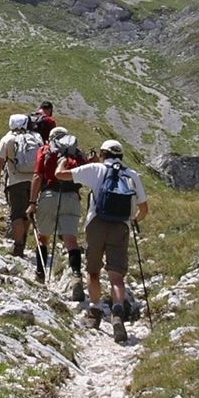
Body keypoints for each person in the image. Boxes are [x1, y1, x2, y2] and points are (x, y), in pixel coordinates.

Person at [56, 138, 149, 335]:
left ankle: (95, 311)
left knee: (94, 271)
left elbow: (60, 175)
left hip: (96, 223)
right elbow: (144, 208)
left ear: (103, 154)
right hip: (121, 226)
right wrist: (133, 220)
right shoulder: (131, 175)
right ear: (121, 156)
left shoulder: (96, 169)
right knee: (116, 276)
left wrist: (63, 160)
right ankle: (117, 313)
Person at [27, 127, 87, 288]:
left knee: (43, 237)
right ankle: (76, 276)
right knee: (71, 239)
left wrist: (32, 202)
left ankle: (40, 275)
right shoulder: (77, 153)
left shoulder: (46, 150)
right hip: (72, 197)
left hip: (49, 195)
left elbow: (37, 176)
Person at [0, 113, 42, 256]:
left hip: (15, 181)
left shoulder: (7, 139)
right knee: (28, 212)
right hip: (34, 180)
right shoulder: (36, 137)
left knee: (16, 215)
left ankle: (18, 247)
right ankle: (23, 241)